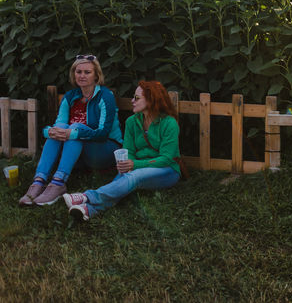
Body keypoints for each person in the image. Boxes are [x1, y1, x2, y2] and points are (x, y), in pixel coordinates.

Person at [63, 80, 181, 221]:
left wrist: (134, 165)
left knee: (132, 177)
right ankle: (89, 210)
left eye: (137, 98)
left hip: (167, 170)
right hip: (137, 166)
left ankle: (87, 196)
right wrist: (127, 164)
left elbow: (167, 158)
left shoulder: (169, 123)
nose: (132, 101)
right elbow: (128, 150)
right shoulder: (132, 121)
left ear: (151, 100)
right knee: (125, 179)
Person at [19, 55, 122, 206]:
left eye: (87, 72)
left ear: (96, 75)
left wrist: (74, 133)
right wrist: (49, 132)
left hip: (105, 150)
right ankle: (38, 182)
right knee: (60, 128)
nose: (82, 75)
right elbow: (59, 124)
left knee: (75, 128)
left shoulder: (105, 96)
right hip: (77, 152)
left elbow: (102, 134)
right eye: (78, 71)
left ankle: (58, 183)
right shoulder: (70, 96)